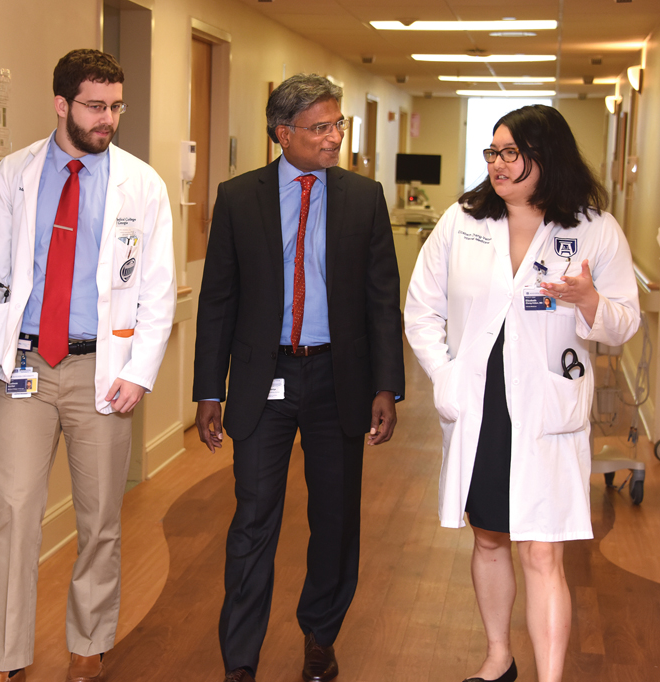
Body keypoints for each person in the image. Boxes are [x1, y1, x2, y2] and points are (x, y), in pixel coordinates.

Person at [404, 104, 640, 682]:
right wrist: (449, 376)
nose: (498, 164)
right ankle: (497, 658)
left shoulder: (593, 228)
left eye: (511, 152)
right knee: (489, 540)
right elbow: (420, 310)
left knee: (542, 550)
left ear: (545, 156)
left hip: (546, 409)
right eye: (493, 152)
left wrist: (588, 299)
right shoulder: (461, 221)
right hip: (481, 408)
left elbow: (624, 323)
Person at [0, 49, 175, 682]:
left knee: (100, 517)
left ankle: (88, 647)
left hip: (100, 369)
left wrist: (137, 372)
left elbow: (158, 290)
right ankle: (6, 659)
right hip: (24, 365)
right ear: (61, 104)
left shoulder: (142, 183)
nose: (107, 118)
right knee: (15, 512)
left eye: (115, 106)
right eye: (94, 106)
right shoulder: (16, 174)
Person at [193, 73, 405, 682]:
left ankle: (320, 634)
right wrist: (211, 388)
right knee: (254, 519)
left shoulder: (364, 198)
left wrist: (386, 385)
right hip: (265, 381)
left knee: (335, 517)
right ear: (282, 134)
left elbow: (379, 297)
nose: (335, 137)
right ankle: (240, 658)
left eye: (338, 125)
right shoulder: (239, 198)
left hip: (339, 377)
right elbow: (218, 300)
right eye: (321, 128)